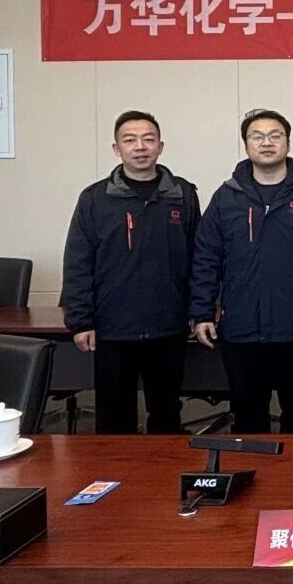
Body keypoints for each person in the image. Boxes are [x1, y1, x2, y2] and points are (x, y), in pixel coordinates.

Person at [190, 109, 293, 433]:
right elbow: (206, 258)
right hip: (241, 329)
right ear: (246, 145)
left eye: (275, 136)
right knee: (247, 416)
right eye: (257, 136)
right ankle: (250, 466)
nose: (266, 142)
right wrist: (201, 312)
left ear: (288, 143)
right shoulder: (226, 198)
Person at [61, 110, 200, 434]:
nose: (140, 147)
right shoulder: (95, 199)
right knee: (114, 419)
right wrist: (81, 321)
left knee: (166, 415)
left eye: (148, 139)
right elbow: (78, 262)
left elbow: (200, 258)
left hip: (168, 326)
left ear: (160, 146)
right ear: (116, 148)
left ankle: (165, 467)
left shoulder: (182, 195)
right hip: (113, 328)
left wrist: (200, 310)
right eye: (130, 140)